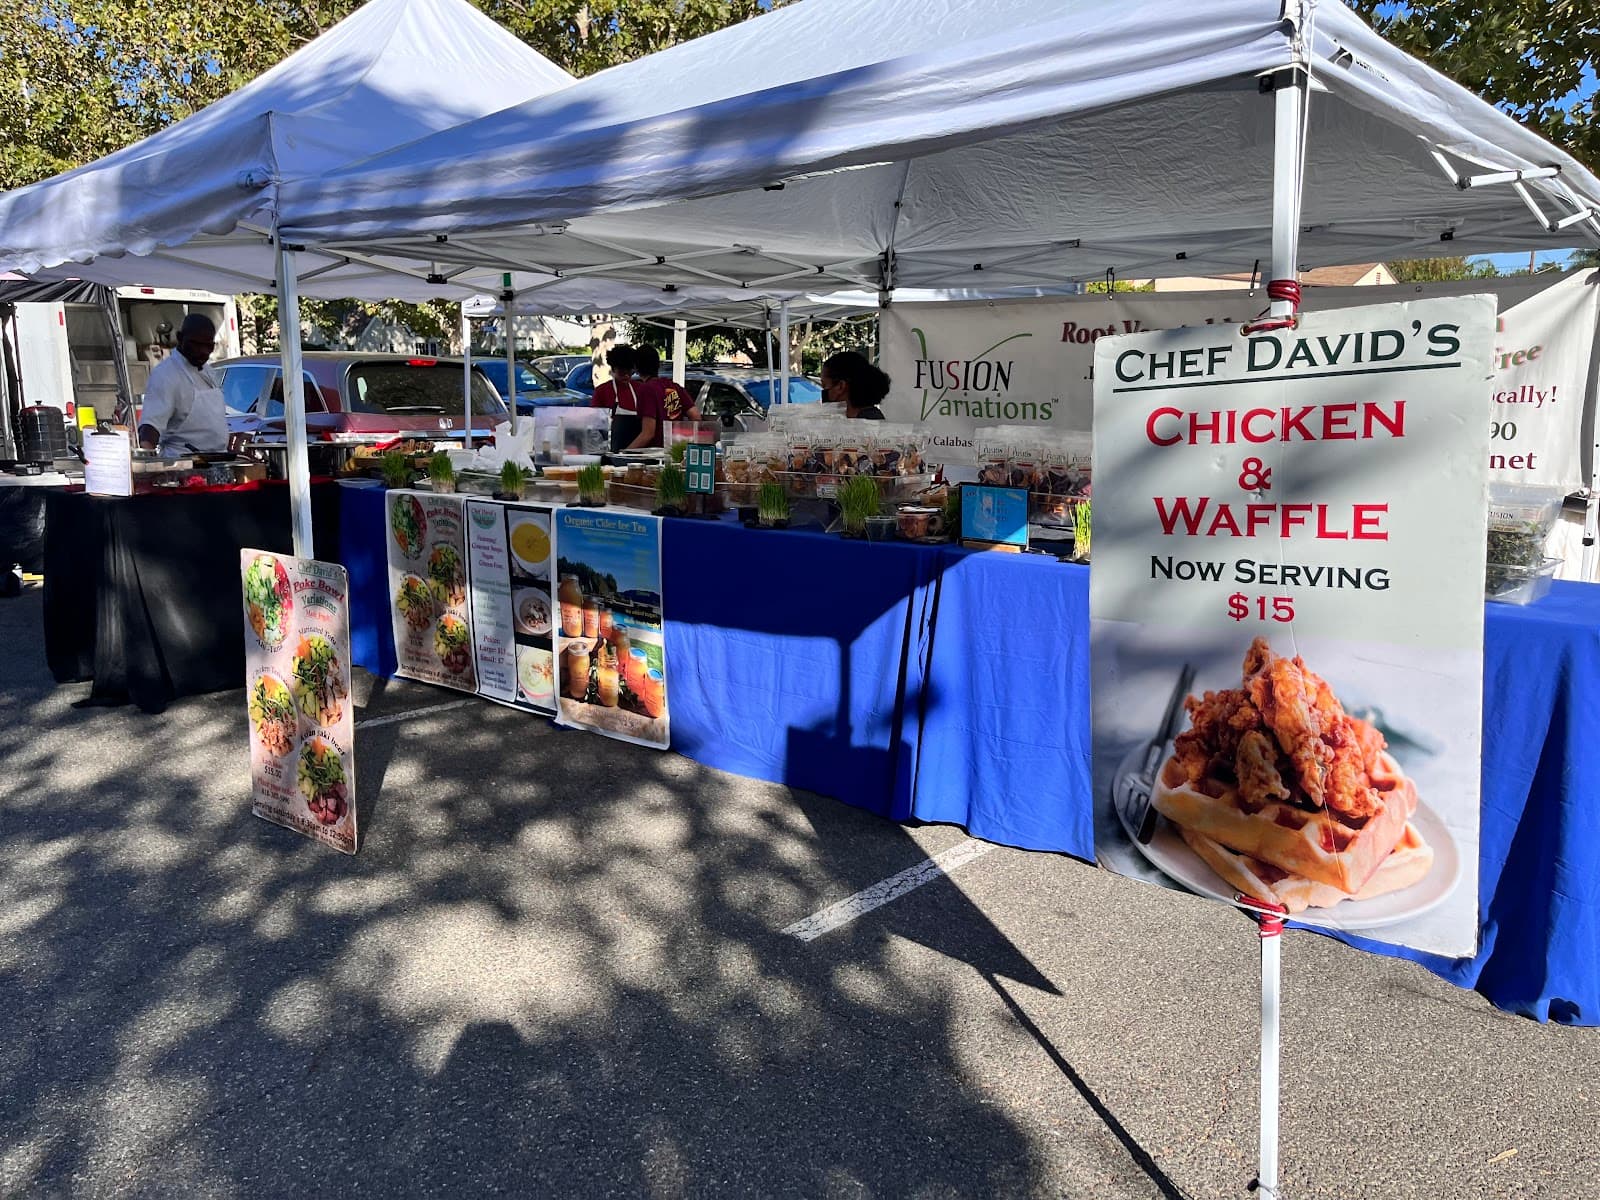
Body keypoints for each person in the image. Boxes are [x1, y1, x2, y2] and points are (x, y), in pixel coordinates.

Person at [138, 313, 229, 453]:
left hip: (218, 461)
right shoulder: (166, 375)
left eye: (208, 346)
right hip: (182, 464)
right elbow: (150, 427)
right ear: (180, 338)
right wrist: (149, 463)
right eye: (196, 344)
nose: (203, 351)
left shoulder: (208, 371)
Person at [625, 345, 701, 450]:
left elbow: (648, 434)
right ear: (658, 365)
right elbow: (695, 416)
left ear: (636, 367)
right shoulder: (674, 387)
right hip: (676, 452)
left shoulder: (646, 389)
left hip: (655, 455)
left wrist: (625, 453)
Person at [820, 350, 890, 419]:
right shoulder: (871, 419)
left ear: (840, 386)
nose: (822, 392)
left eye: (824, 385)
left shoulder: (863, 425)